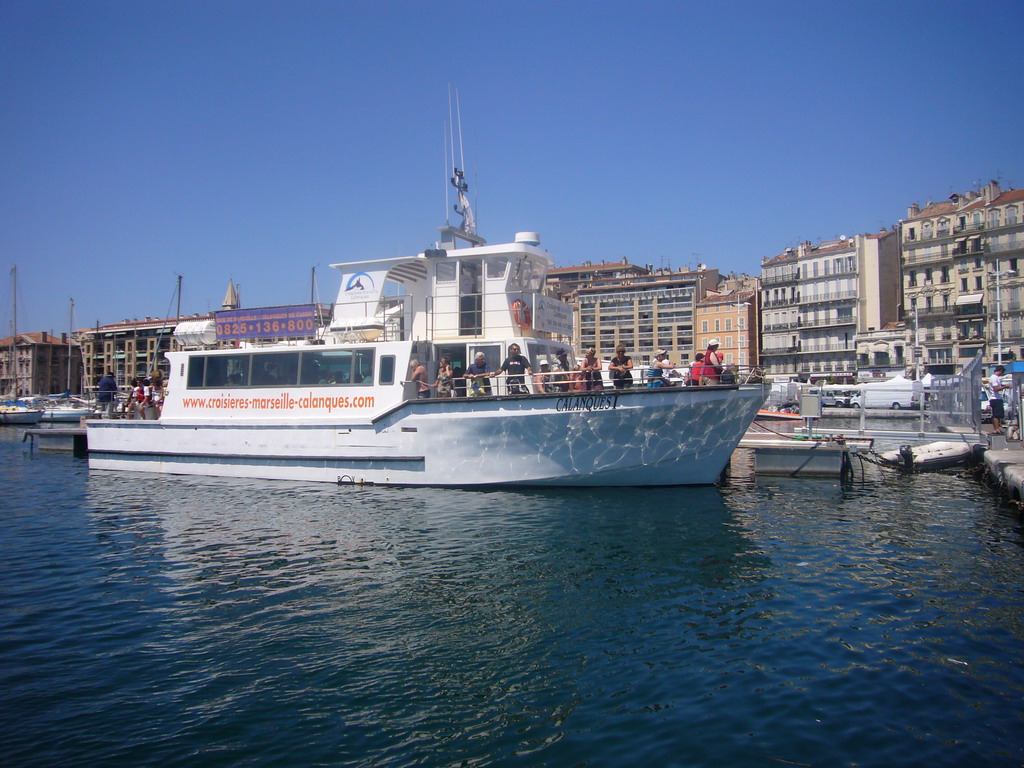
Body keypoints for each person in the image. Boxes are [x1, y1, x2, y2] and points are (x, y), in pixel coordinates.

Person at [988, 365, 1008, 435]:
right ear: (1000, 371)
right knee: (996, 415)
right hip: (995, 399)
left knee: (997, 415)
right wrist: (1005, 386)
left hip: (995, 399)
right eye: (1002, 372)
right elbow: (996, 389)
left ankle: (997, 429)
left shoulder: (994, 378)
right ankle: (996, 429)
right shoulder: (994, 378)